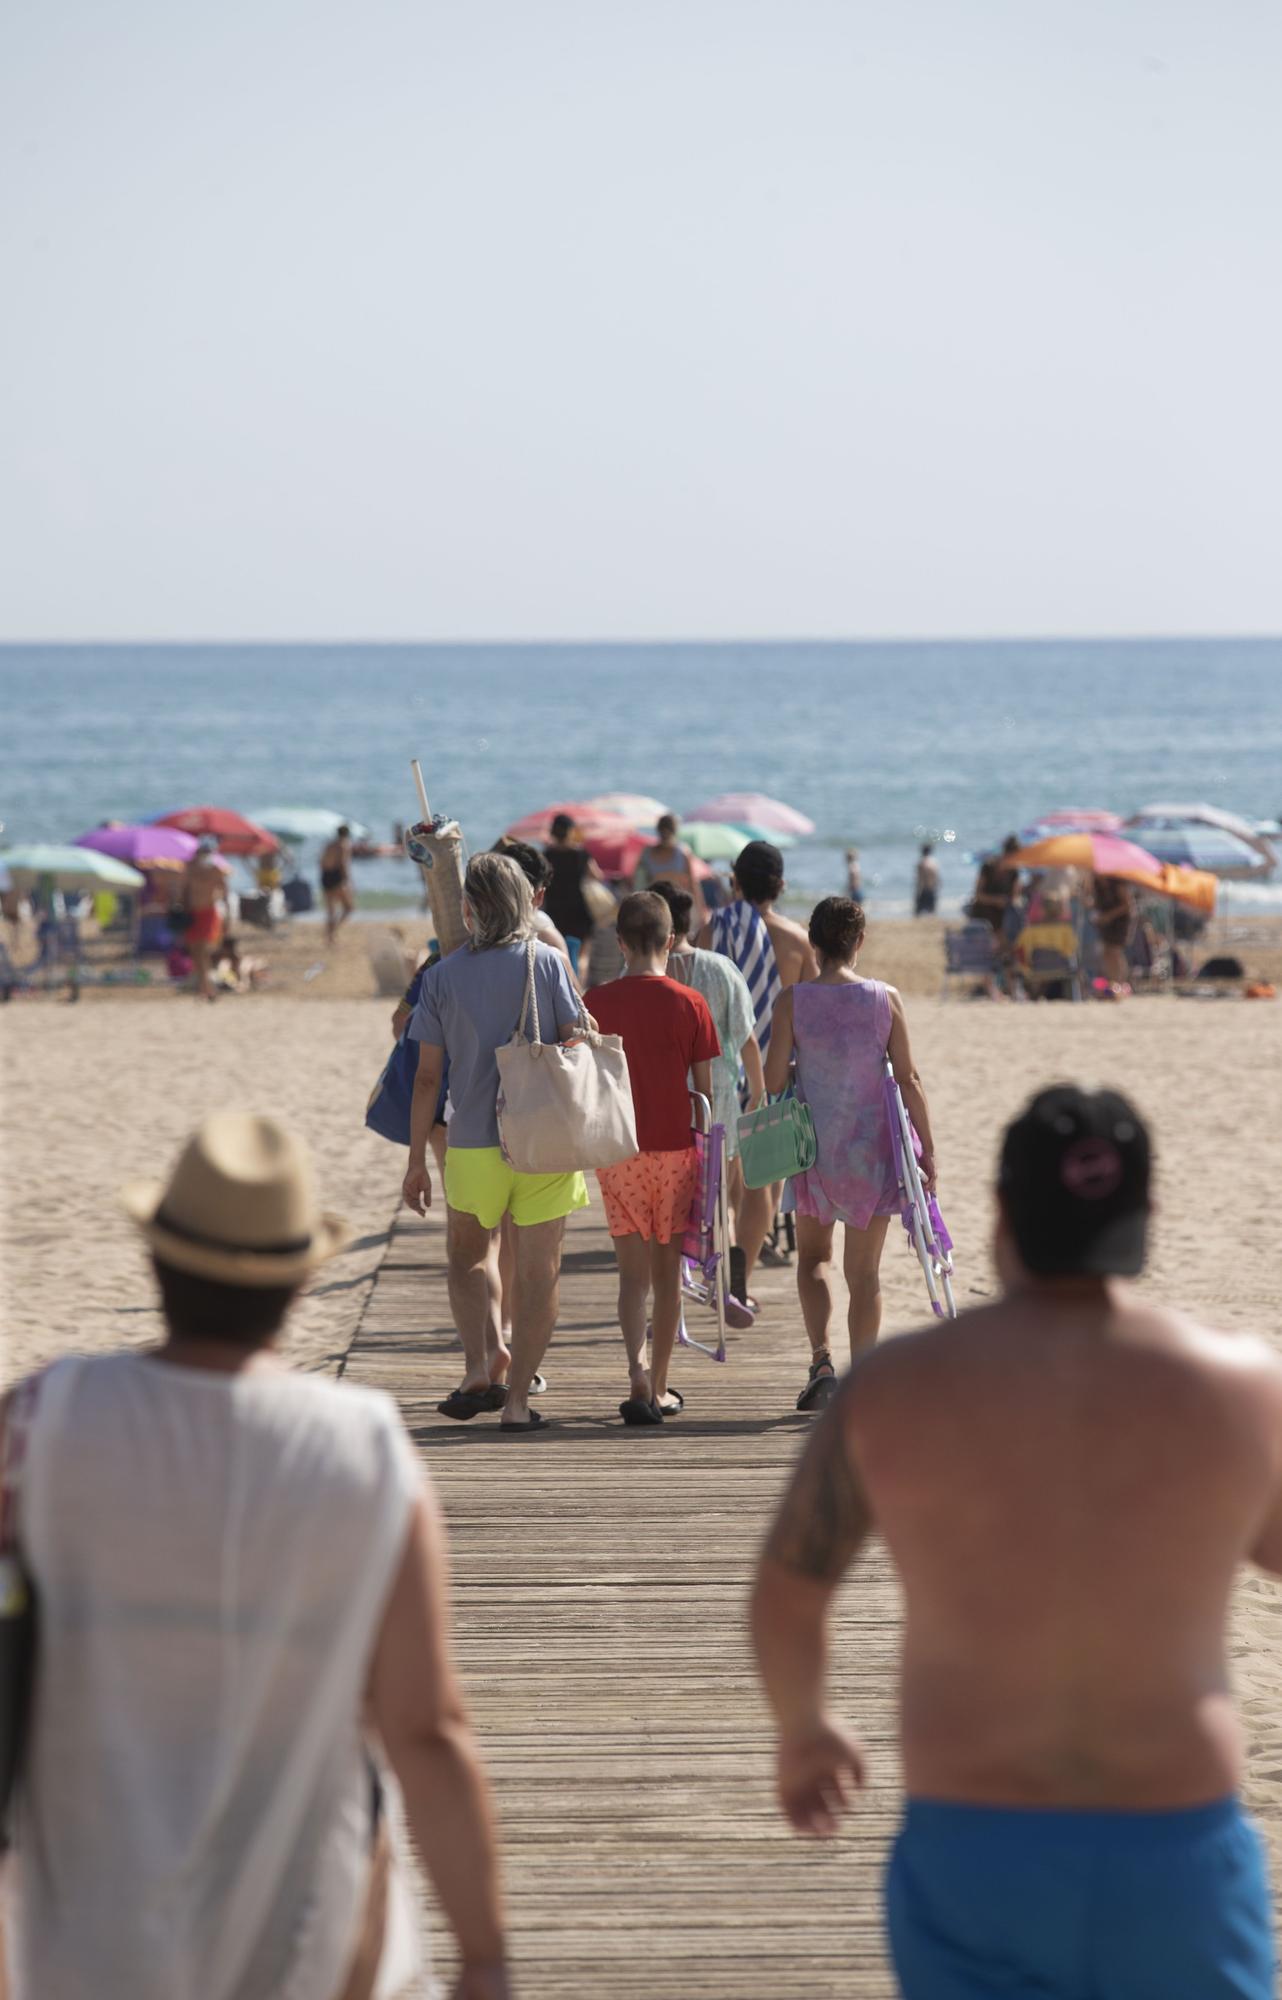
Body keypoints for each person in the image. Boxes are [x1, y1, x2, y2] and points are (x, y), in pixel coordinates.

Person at [751, 1084, 1281, 2000]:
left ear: (1000, 1212)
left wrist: (804, 1728)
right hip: (1175, 1838)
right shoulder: (1239, 1388)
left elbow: (789, 1589)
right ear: (1147, 1214)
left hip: (976, 1839)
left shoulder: (896, 1388)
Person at [1, 1112, 510, 2000]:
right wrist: (484, 1955)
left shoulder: (43, 1421)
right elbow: (427, 1730)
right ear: (297, 1286)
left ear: (157, 1263)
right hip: (311, 1941)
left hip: (88, 1944)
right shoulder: (364, 1449)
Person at [402, 852, 588, 1433]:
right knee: (540, 1272)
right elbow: (577, 1040)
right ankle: (517, 1403)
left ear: (469, 909)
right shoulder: (549, 964)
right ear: (524, 901)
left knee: (465, 1259)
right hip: (543, 1141)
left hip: (473, 1140)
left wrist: (415, 1162)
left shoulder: (440, 975)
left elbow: (427, 1079)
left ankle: (482, 1359)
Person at [764, 898, 937, 1411]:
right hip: (872, 1153)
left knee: (814, 1260)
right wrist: (929, 1152)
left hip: (813, 1150)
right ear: (859, 942)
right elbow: (908, 1078)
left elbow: (772, 1081)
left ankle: (821, 1362)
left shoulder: (792, 1001)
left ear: (813, 943)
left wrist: (799, 1063)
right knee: (865, 1275)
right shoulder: (886, 999)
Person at [585, 892, 719, 1425]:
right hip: (674, 1151)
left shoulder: (596, 1002)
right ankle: (660, 1386)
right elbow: (703, 1094)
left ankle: (635, 1370)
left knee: (630, 1278)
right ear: (670, 940)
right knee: (668, 1277)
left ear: (619, 942)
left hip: (617, 1150)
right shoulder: (690, 1002)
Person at [698, 841, 819, 1293]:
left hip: (722, 1072)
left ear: (735, 880)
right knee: (764, 1188)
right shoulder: (797, 941)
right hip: (776, 1073)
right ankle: (739, 1281)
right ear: (781, 885)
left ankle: (722, 1272)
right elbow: (809, 1014)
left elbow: (698, 994)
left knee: (724, 1182)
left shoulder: (714, 930)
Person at [649, 879, 764, 1321]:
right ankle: (726, 1287)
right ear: (691, 921)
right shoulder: (719, 969)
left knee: (670, 1203)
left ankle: (676, 1284)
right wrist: (757, 1093)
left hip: (660, 1105)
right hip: (715, 1102)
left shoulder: (641, 977)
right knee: (722, 1200)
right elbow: (747, 1040)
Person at [542, 814, 606, 980]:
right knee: (582, 956)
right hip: (579, 911)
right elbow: (597, 876)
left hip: (555, 911)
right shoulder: (581, 854)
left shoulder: (547, 854)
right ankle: (579, 991)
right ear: (570, 831)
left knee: (557, 954)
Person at [181, 837, 229, 1002]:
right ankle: (204, 988)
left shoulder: (216, 870)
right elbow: (183, 893)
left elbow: (225, 894)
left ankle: (208, 989)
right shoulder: (190, 869)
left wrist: (227, 917)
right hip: (192, 914)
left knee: (203, 952)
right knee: (195, 953)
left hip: (209, 913)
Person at [633, 815, 705, 925]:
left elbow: (637, 883)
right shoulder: (683, 852)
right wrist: (701, 912)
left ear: (658, 830)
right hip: (676, 906)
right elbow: (693, 884)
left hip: (653, 906)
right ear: (675, 831)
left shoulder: (647, 853)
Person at [1015, 890, 1080, 999]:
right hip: (1062, 969)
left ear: (1042, 910)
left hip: (1036, 968)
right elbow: (1071, 950)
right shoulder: (1066, 930)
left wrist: (1026, 966)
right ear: (1060, 910)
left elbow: (1020, 950)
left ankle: (1033, 995)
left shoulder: (1030, 930)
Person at [968, 833, 1021, 935]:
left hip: (1003, 916)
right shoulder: (988, 867)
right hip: (983, 912)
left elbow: (1015, 897)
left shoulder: (1014, 872)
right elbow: (978, 895)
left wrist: (1009, 902)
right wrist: (996, 900)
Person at [1094, 872, 1137, 987]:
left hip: (1121, 921)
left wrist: (1108, 916)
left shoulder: (1117, 883)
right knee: (1106, 952)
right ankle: (1112, 982)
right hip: (1107, 921)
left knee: (1115, 951)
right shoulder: (1096, 884)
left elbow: (1128, 905)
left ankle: (1121, 982)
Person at [320, 825, 355, 942]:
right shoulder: (344, 845)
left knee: (331, 909)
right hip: (336, 876)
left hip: (325, 875)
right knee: (349, 907)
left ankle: (330, 935)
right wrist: (348, 881)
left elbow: (321, 862)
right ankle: (333, 931)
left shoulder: (329, 845)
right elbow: (343, 864)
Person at [913, 843, 939, 916]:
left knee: (918, 911)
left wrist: (918, 889)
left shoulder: (921, 863)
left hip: (924, 889)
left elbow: (919, 879)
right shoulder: (934, 862)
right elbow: (936, 877)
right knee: (932, 910)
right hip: (932, 888)